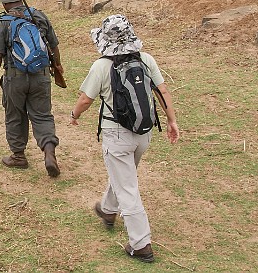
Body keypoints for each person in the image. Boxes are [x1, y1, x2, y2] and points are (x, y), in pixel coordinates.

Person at [70, 14, 179, 264]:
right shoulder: (146, 59)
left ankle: (141, 244)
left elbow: (86, 99)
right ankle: (108, 211)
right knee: (124, 175)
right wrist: (172, 122)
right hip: (144, 133)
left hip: (116, 134)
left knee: (128, 187)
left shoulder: (101, 66)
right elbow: (162, 91)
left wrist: (74, 114)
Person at [0, 0, 63, 177]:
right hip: (41, 76)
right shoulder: (39, 16)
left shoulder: (3, 23)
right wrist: (57, 66)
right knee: (43, 115)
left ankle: (18, 156)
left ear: (4, 3)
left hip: (15, 78)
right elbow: (53, 46)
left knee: (15, 115)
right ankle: (49, 151)